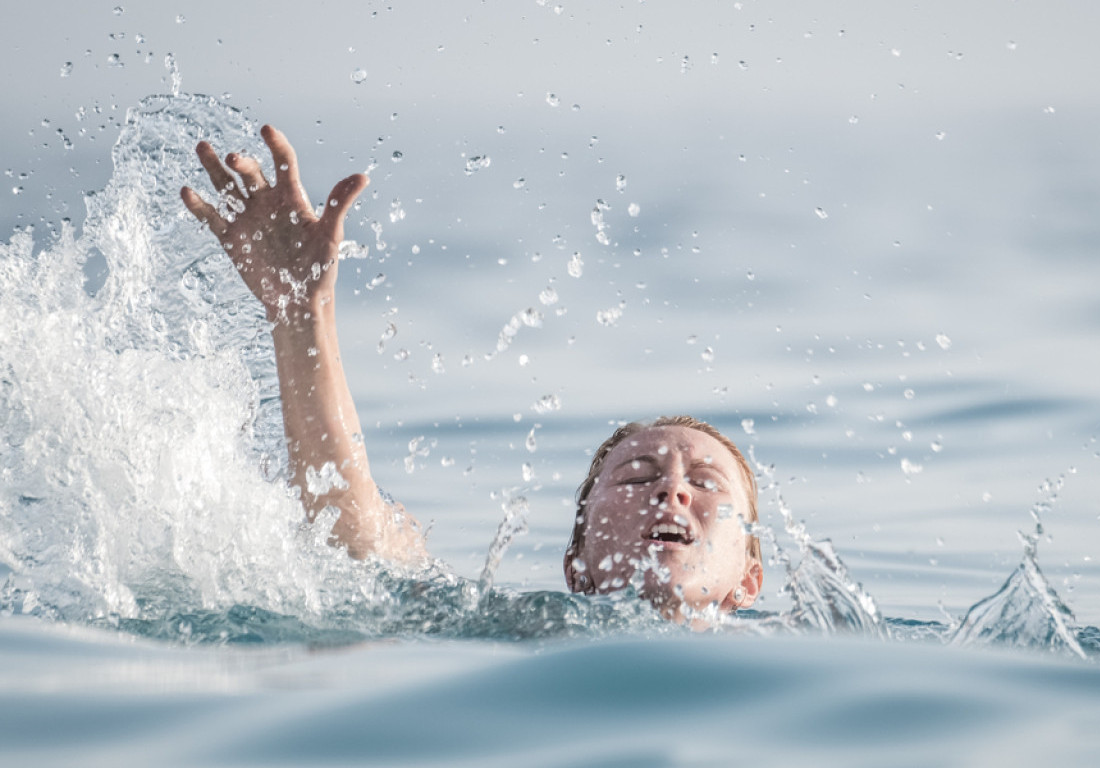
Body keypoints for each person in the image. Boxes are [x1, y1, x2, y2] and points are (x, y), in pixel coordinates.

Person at [180, 125, 763, 625]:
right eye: (636, 479)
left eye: (707, 484)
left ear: (749, 581)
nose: (672, 490)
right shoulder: (524, 630)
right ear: (577, 567)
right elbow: (359, 547)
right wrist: (301, 314)